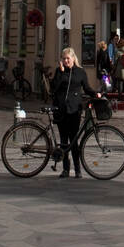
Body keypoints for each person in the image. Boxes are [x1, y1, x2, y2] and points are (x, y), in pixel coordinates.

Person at [50, 47, 99, 178]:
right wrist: (60, 73)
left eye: (68, 58)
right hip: (60, 109)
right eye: (64, 59)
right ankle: (66, 169)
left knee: (74, 140)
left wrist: (96, 94)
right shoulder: (59, 71)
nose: (66, 61)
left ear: (73, 58)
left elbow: (87, 88)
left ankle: (78, 169)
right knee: (64, 140)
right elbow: (53, 88)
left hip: (74, 110)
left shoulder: (80, 72)